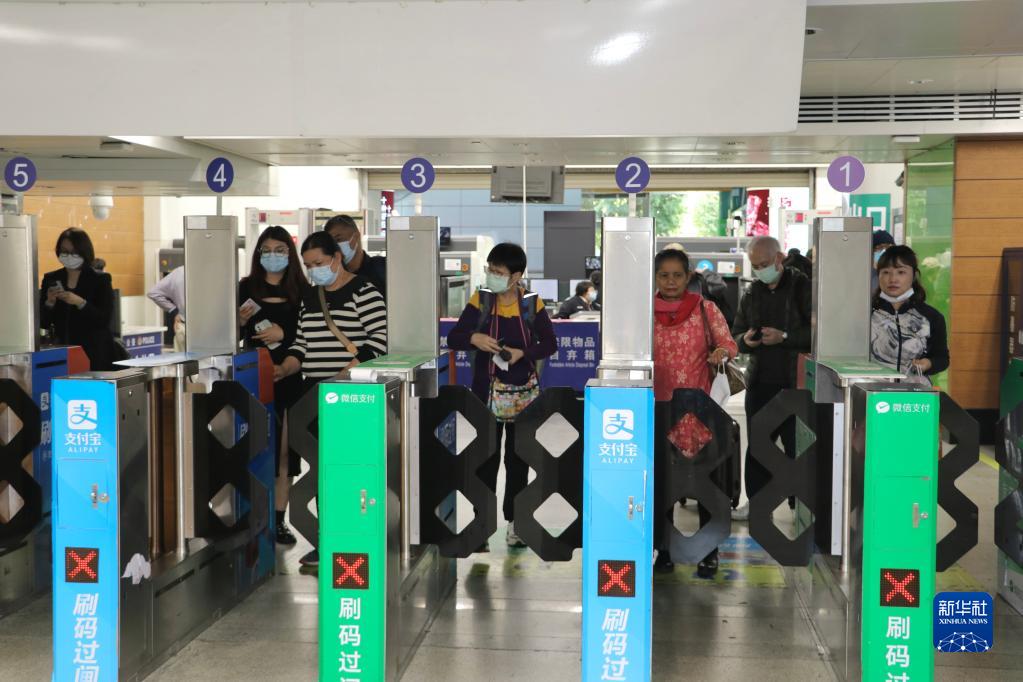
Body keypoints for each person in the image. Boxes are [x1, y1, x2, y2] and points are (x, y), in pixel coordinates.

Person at [275, 231, 388, 565]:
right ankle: (329, 540)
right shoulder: (312, 297)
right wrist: (285, 367)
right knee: (324, 470)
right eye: (308, 266)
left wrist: (348, 373)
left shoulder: (365, 291)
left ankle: (355, 539)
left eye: (319, 263)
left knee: (350, 471)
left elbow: (380, 340)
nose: (314, 271)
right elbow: (301, 344)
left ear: (337, 257)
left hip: (352, 396)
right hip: (314, 395)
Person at [447, 243, 557, 549]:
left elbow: (550, 343)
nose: (492, 276)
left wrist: (525, 353)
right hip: (485, 395)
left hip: (523, 396)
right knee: (485, 460)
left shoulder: (531, 304)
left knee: (518, 461)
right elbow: (454, 338)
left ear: (516, 276)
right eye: (490, 270)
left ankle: (515, 523)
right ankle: (481, 524)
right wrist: (474, 338)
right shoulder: (480, 301)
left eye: (499, 272)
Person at [652, 248, 738, 578]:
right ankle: (664, 549)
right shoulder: (644, 311)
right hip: (656, 409)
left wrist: (720, 352)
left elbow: (729, 344)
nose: (670, 282)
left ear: (688, 276)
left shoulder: (705, 308)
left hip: (697, 411)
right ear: (655, 277)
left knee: (703, 480)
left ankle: (709, 550)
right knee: (662, 482)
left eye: (677, 275)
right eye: (664, 275)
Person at [731, 236, 812, 512]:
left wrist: (784, 336)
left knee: (797, 446)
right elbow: (736, 334)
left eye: (764, 264)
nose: (760, 271)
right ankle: (756, 505)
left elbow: (817, 334)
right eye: (755, 266)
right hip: (760, 382)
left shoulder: (803, 287)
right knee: (758, 447)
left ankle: (799, 504)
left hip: (794, 383)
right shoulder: (751, 293)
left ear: (779, 258)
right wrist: (746, 341)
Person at [238, 226, 308, 546]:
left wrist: (284, 335)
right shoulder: (245, 288)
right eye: (266, 250)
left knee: (284, 452)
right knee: (255, 448)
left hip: (291, 377)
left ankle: (279, 519)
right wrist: (239, 322)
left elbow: (310, 335)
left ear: (290, 255)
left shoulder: (303, 291)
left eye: (280, 250)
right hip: (254, 376)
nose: (273, 256)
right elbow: (227, 334)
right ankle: (255, 516)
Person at [40, 228, 117, 371]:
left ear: (84, 252)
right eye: (64, 251)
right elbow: (43, 323)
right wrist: (49, 303)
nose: (68, 256)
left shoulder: (100, 279)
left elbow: (104, 319)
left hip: (94, 353)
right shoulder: (51, 278)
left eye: (74, 252)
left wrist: (80, 303)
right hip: (62, 352)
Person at [870, 245, 949, 378]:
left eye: (901, 272)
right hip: (871, 389)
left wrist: (928, 364)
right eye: (886, 272)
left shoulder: (932, 317)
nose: (893, 279)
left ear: (914, 275)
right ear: (878, 276)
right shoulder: (866, 314)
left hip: (914, 389)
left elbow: (942, 358)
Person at [325, 214, 387, 297]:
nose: (335, 246)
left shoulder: (383, 268)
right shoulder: (332, 278)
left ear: (356, 236)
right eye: (331, 243)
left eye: (338, 239)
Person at [148, 265, 186, 351]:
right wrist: (175, 311)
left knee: (183, 359)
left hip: (183, 327)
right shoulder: (210, 271)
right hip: (205, 329)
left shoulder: (179, 272)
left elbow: (153, 293)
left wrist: (174, 311)